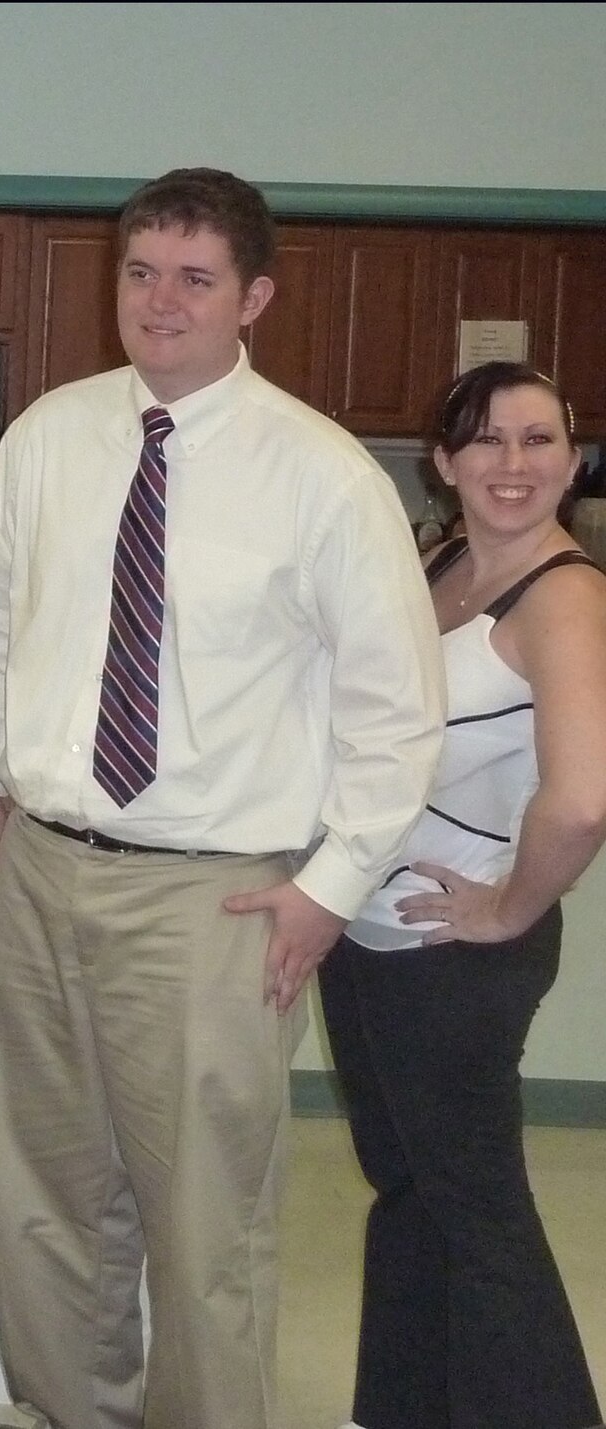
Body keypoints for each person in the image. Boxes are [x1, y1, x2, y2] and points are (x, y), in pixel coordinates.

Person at [0, 167, 446, 1429]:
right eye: (137, 271)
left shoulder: (323, 477)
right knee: (39, 1204)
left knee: (202, 1228)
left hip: (212, 899)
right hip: (43, 874)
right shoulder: (46, 439)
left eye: (192, 277)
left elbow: (396, 714)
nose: (158, 301)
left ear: (252, 299)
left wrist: (325, 893)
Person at [318, 361, 606, 1429]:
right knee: (407, 1192)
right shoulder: (435, 564)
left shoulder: (565, 596)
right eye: (485, 439)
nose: (511, 463)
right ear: (442, 461)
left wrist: (503, 911)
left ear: (570, 460)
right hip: (368, 934)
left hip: (455, 950)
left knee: (474, 1209)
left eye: (536, 441)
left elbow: (579, 801)